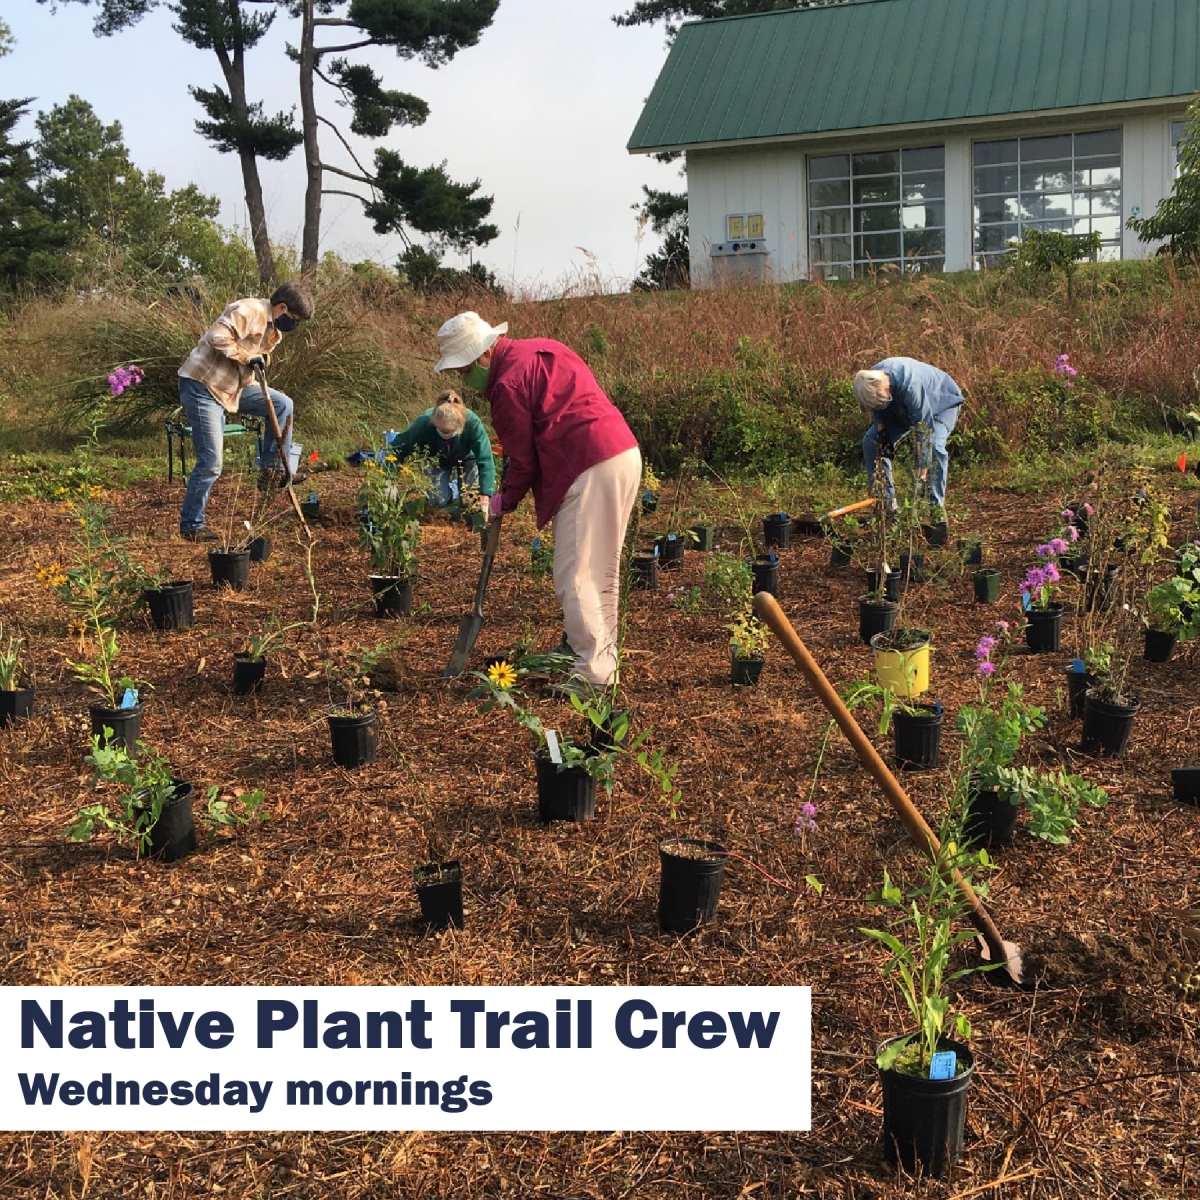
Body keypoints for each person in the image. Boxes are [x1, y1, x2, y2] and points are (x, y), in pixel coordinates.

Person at [434, 312, 641, 694]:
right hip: (622, 453)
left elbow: (523, 461)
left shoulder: (508, 385)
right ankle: (594, 655)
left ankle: (593, 674)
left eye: (465, 371)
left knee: (575, 574)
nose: (467, 382)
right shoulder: (541, 349)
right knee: (601, 570)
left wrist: (502, 502)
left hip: (588, 463)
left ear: (483, 356)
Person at [176, 281, 314, 541]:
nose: (294, 325)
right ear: (282, 307)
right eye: (294, 318)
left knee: (283, 404)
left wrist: (262, 359)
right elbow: (217, 337)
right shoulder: (248, 310)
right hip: (203, 385)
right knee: (211, 462)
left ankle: (272, 470)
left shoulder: (274, 331)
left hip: (235, 388)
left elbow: (258, 356)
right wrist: (246, 357)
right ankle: (192, 525)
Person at [855, 357, 964, 511]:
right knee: (871, 442)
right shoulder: (869, 381)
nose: (878, 405)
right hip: (900, 406)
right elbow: (876, 408)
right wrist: (881, 432)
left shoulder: (910, 384)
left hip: (940, 403)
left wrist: (922, 471)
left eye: (880, 402)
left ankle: (935, 511)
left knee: (934, 448)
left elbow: (924, 428)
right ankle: (886, 504)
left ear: (886, 389)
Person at [385, 390, 497, 508]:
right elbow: (397, 449)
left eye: (450, 432)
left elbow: (485, 459)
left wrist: (485, 495)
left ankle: (461, 493)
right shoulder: (424, 423)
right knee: (438, 501)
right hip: (437, 460)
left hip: (467, 458)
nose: (446, 435)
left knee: (471, 501)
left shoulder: (472, 423)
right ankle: (453, 490)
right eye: (442, 431)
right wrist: (389, 480)